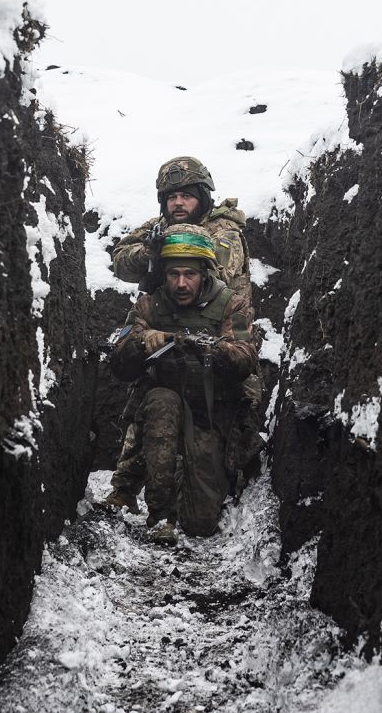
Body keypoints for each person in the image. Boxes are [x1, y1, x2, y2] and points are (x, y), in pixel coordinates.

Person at [105, 226, 258, 542]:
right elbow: (118, 363)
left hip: (210, 415)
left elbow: (245, 359)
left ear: (205, 273)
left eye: (190, 274)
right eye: (173, 274)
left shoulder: (231, 304)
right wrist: (142, 342)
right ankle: (160, 513)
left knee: (200, 523)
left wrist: (211, 348)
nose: (181, 283)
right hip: (162, 404)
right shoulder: (150, 305)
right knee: (162, 400)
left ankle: (185, 489)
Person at [111, 156, 251, 302]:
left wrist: (162, 258)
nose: (178, 203)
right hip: (163, 317)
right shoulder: (158, 226)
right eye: (172, 197)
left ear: (202, 198)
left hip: (220, 321)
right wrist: (145, 254)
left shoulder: (225, 232)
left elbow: (215, 282)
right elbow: (120, 265)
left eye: (186, 196)